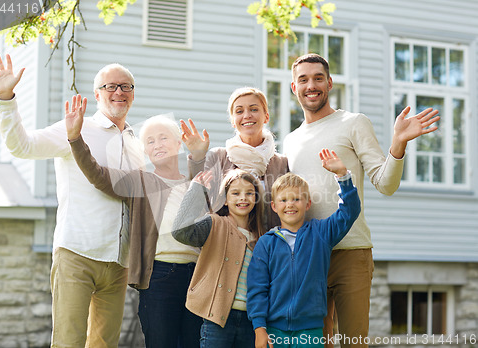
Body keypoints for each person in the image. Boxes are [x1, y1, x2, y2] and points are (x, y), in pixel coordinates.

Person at [283, 53, 441, 347]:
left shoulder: (353, 123)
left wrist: (397, 145)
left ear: (329, 83)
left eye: (318, 78)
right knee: (314, 342)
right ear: (294, 87)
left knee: (353, 342)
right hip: (307, 256)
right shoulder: (290, 141)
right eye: (303, 79)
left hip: (351, 252)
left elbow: (385, 184)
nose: (311, 85)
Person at [0, 54, 144, 347]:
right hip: (77, 253)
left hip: (118, 263)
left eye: (126, 87)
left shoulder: (135, 142)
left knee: (104, 345)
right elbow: (21, 146)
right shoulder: (76, 127)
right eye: (111, 86)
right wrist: (7, 97)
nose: (119, 92)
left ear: (133, 95)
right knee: (68, 342)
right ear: (97, 93)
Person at [65, 98, 203, 348]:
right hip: (160, 276)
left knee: (194, 342)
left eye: (163, 138)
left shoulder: (193, 182)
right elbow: (98, 175)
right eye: (150, 141)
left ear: (178, 142)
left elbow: (207, 199)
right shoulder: (139, 182)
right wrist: (76, 139)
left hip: (196, 276)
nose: (157, 144)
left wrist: (199, 155)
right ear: (145, 151)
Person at [247, 149, 361, 348]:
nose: (290, 204)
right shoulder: (266, 243)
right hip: (274, 330)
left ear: (307, 204)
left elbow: (349, 212)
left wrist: (343, 176)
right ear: (274, 206)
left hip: (311, 330)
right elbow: (257, 288)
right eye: (283, 200)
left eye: (296, 199)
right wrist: (259, 329)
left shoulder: (321, 233)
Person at [171, 169, 266, 348]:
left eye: (249, 193)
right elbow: (180, 231)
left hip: (250, 322)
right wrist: (196, 191)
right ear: (225, 198)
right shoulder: (214, 224)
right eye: (236, 193)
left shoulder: (262, 237)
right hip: (217, 318)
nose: (243, 198)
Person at [181, 87, 288, 230]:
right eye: (239, 111)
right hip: (226, 244)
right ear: (232, 121)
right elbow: (198, 198)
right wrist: (198, 156)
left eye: (254, 109)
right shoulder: (218, 157)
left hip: (267, 246)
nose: (247, 115)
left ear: (266, 117)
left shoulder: (281, 163)